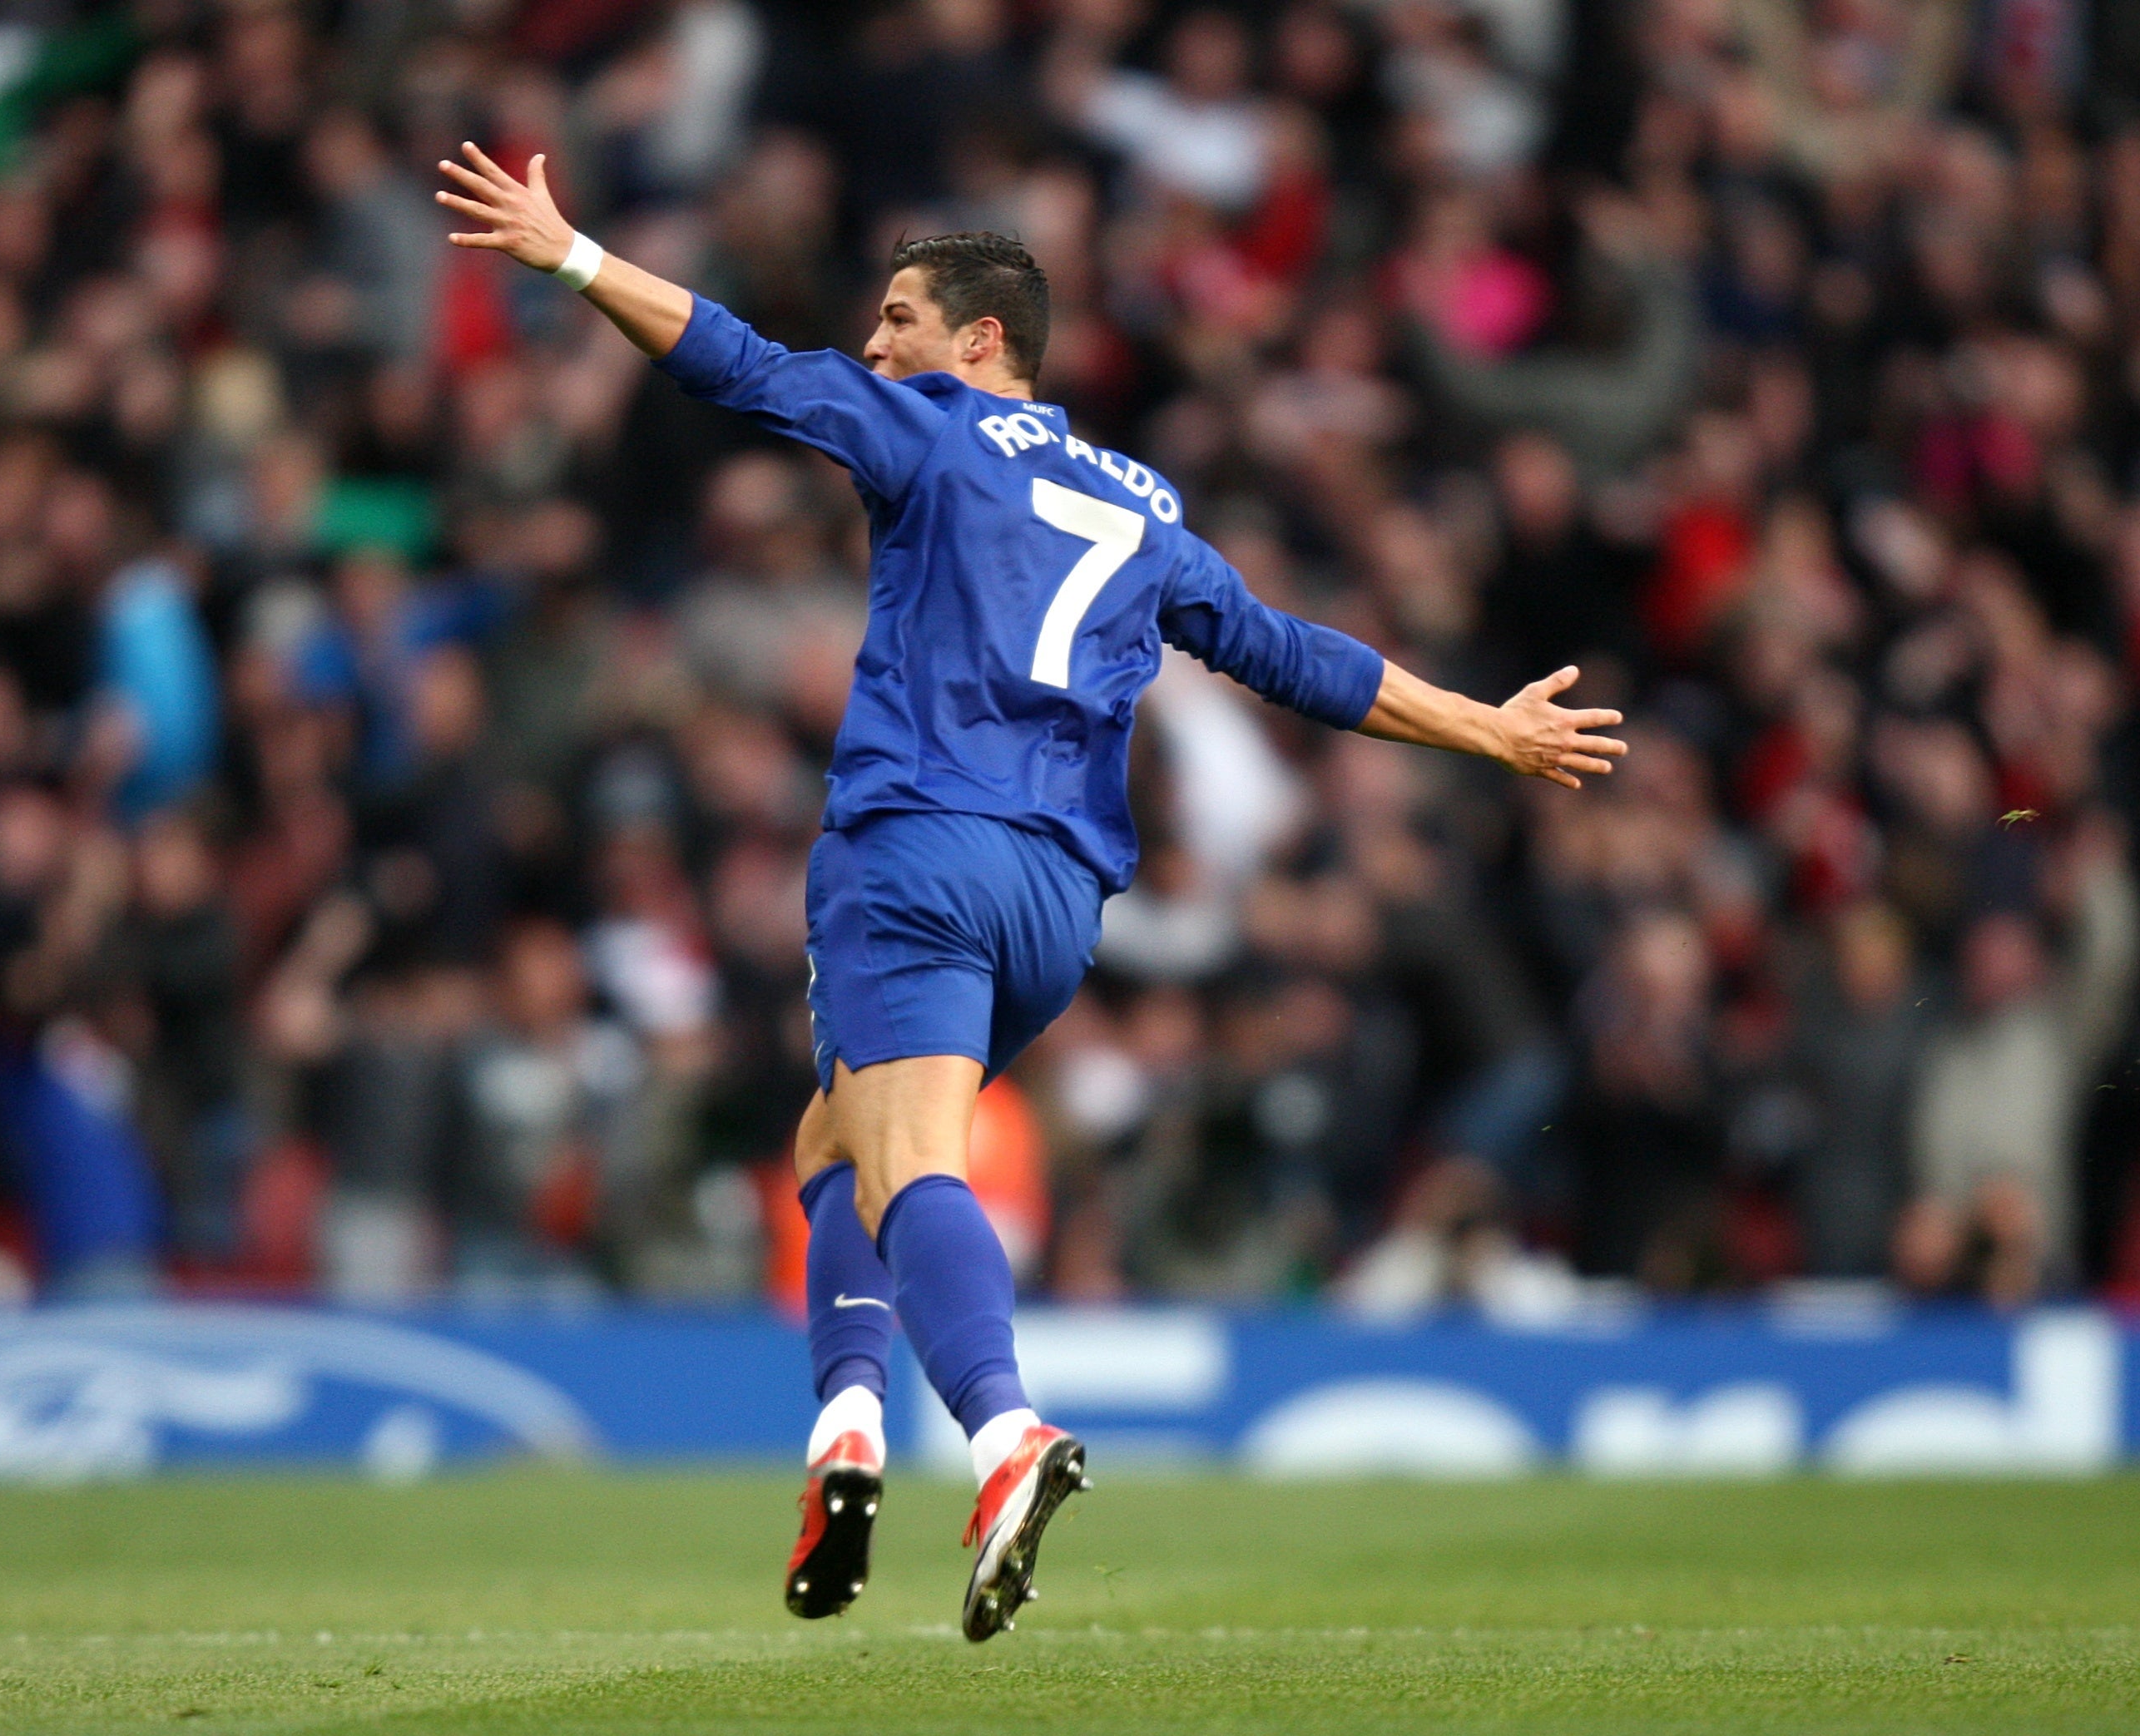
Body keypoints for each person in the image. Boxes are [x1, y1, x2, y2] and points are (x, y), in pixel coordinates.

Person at [438, 145, 1629, 1637]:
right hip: (1059, 905)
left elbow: (740, 367)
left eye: (897, 319)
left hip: (918, 845)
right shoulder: (1140, 504)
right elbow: (1285, 653)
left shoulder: (931, 433)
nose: (876, 344)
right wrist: (1486, 727)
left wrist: (568, 256)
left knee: (909, 1158)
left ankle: (998, 1437)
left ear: (977, 339)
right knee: (841, 1132)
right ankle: (845, 1432)